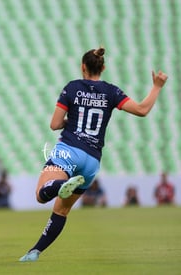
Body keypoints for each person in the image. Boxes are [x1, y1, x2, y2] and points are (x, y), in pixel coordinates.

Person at [19, 47, 168, 262]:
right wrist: (156, 86)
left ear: (83, 67)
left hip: (69, 150)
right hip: (92, 161)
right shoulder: (111, 92)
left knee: (41, 194)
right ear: (103, 67)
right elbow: (142, 110)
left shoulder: (72, 88)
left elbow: (54, 124)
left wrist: (71, 120)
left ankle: (60, 185)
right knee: (61, 211)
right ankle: (34, 252)